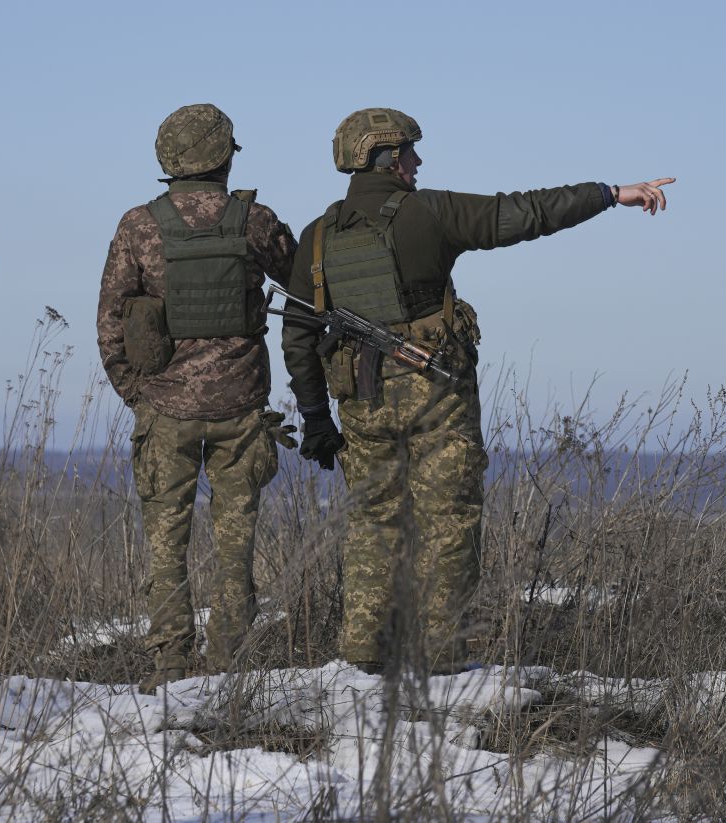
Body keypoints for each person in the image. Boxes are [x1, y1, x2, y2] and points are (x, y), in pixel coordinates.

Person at [281, 108, 673, 675]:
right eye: (411, 152)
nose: (419, 161)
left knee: (372, 523)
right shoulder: (430, 212)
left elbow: (298, 333)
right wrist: (610, 193)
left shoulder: (316, 239)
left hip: (360, 403)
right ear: (386, 158)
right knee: (449, 522)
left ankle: (359, 667)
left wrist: (317, 416)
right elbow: (526, 213)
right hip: (435, 396)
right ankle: (441, 664)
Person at [97, 104, 298, 692]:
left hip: (165, 412)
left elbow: (110, 321)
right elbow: (307, 285)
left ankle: (170, 669)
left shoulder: (139, 224)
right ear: (224, 156)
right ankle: (227, 665)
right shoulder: (254, 220)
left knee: (166, 547)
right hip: (240, 411)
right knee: (236, 544)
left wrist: (138, 394)